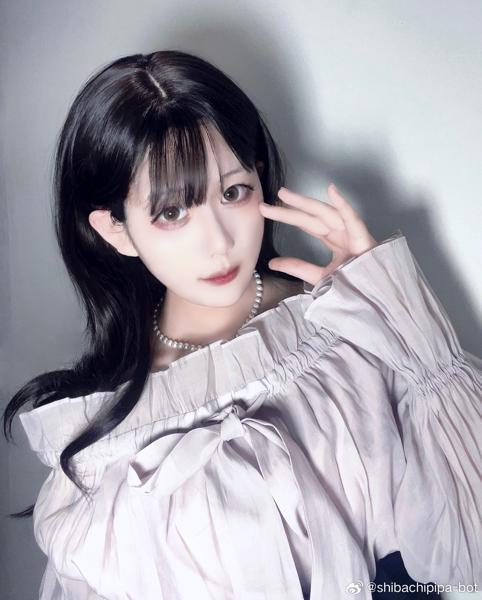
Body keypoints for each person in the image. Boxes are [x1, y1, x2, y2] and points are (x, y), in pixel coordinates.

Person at [3, 50, 481, 600]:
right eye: (172, 212)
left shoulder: (348, 334)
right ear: (117, 231)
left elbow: (469, 553)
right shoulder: (102, 441)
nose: (219, 241)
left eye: (233, 192)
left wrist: (396, 311)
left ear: (260, 179)